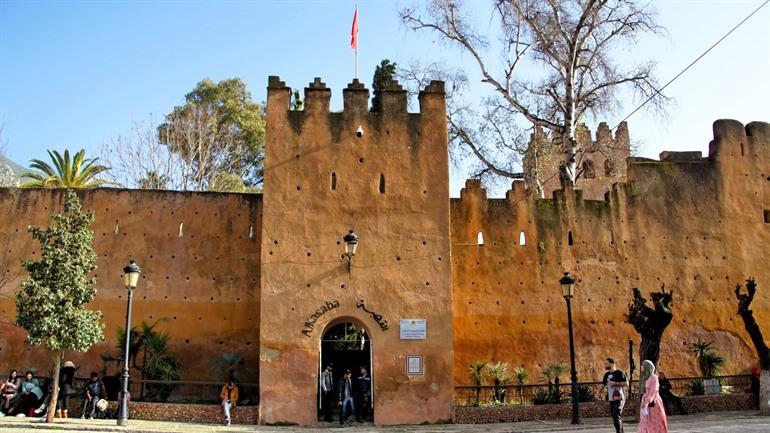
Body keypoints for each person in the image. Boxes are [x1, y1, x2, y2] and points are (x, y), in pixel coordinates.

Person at [599, 357, 629, 433]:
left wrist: (615, 383)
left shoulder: (620, 372)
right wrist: (599, 392)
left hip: (619, 398)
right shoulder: (606, 374)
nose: (605, 365)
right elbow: (603, 384)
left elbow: (626, 384)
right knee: (614, 416)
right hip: (611, 398)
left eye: (606, 363)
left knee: (616, 414)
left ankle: (618, 431)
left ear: (612, 364)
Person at [637, 360, 668, 433]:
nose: (641, 367)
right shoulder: (645, 377)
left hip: (653, 402)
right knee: (644, 419)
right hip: (645, 401)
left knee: (653, 421)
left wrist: (647, 402)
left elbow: (653, 391)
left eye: (643, 365)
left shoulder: (654, 378)